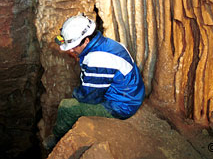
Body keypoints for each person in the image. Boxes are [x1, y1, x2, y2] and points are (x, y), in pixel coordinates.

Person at [43, 14, 145, 151]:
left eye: (73, 46)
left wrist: (76, 95)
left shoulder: (97, 59)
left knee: (67, 107)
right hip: (129, 92)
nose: (71, 50)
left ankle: (57, 139)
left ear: (86, 41)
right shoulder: (107, 44)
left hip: (122, 105)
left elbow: (90, 97)